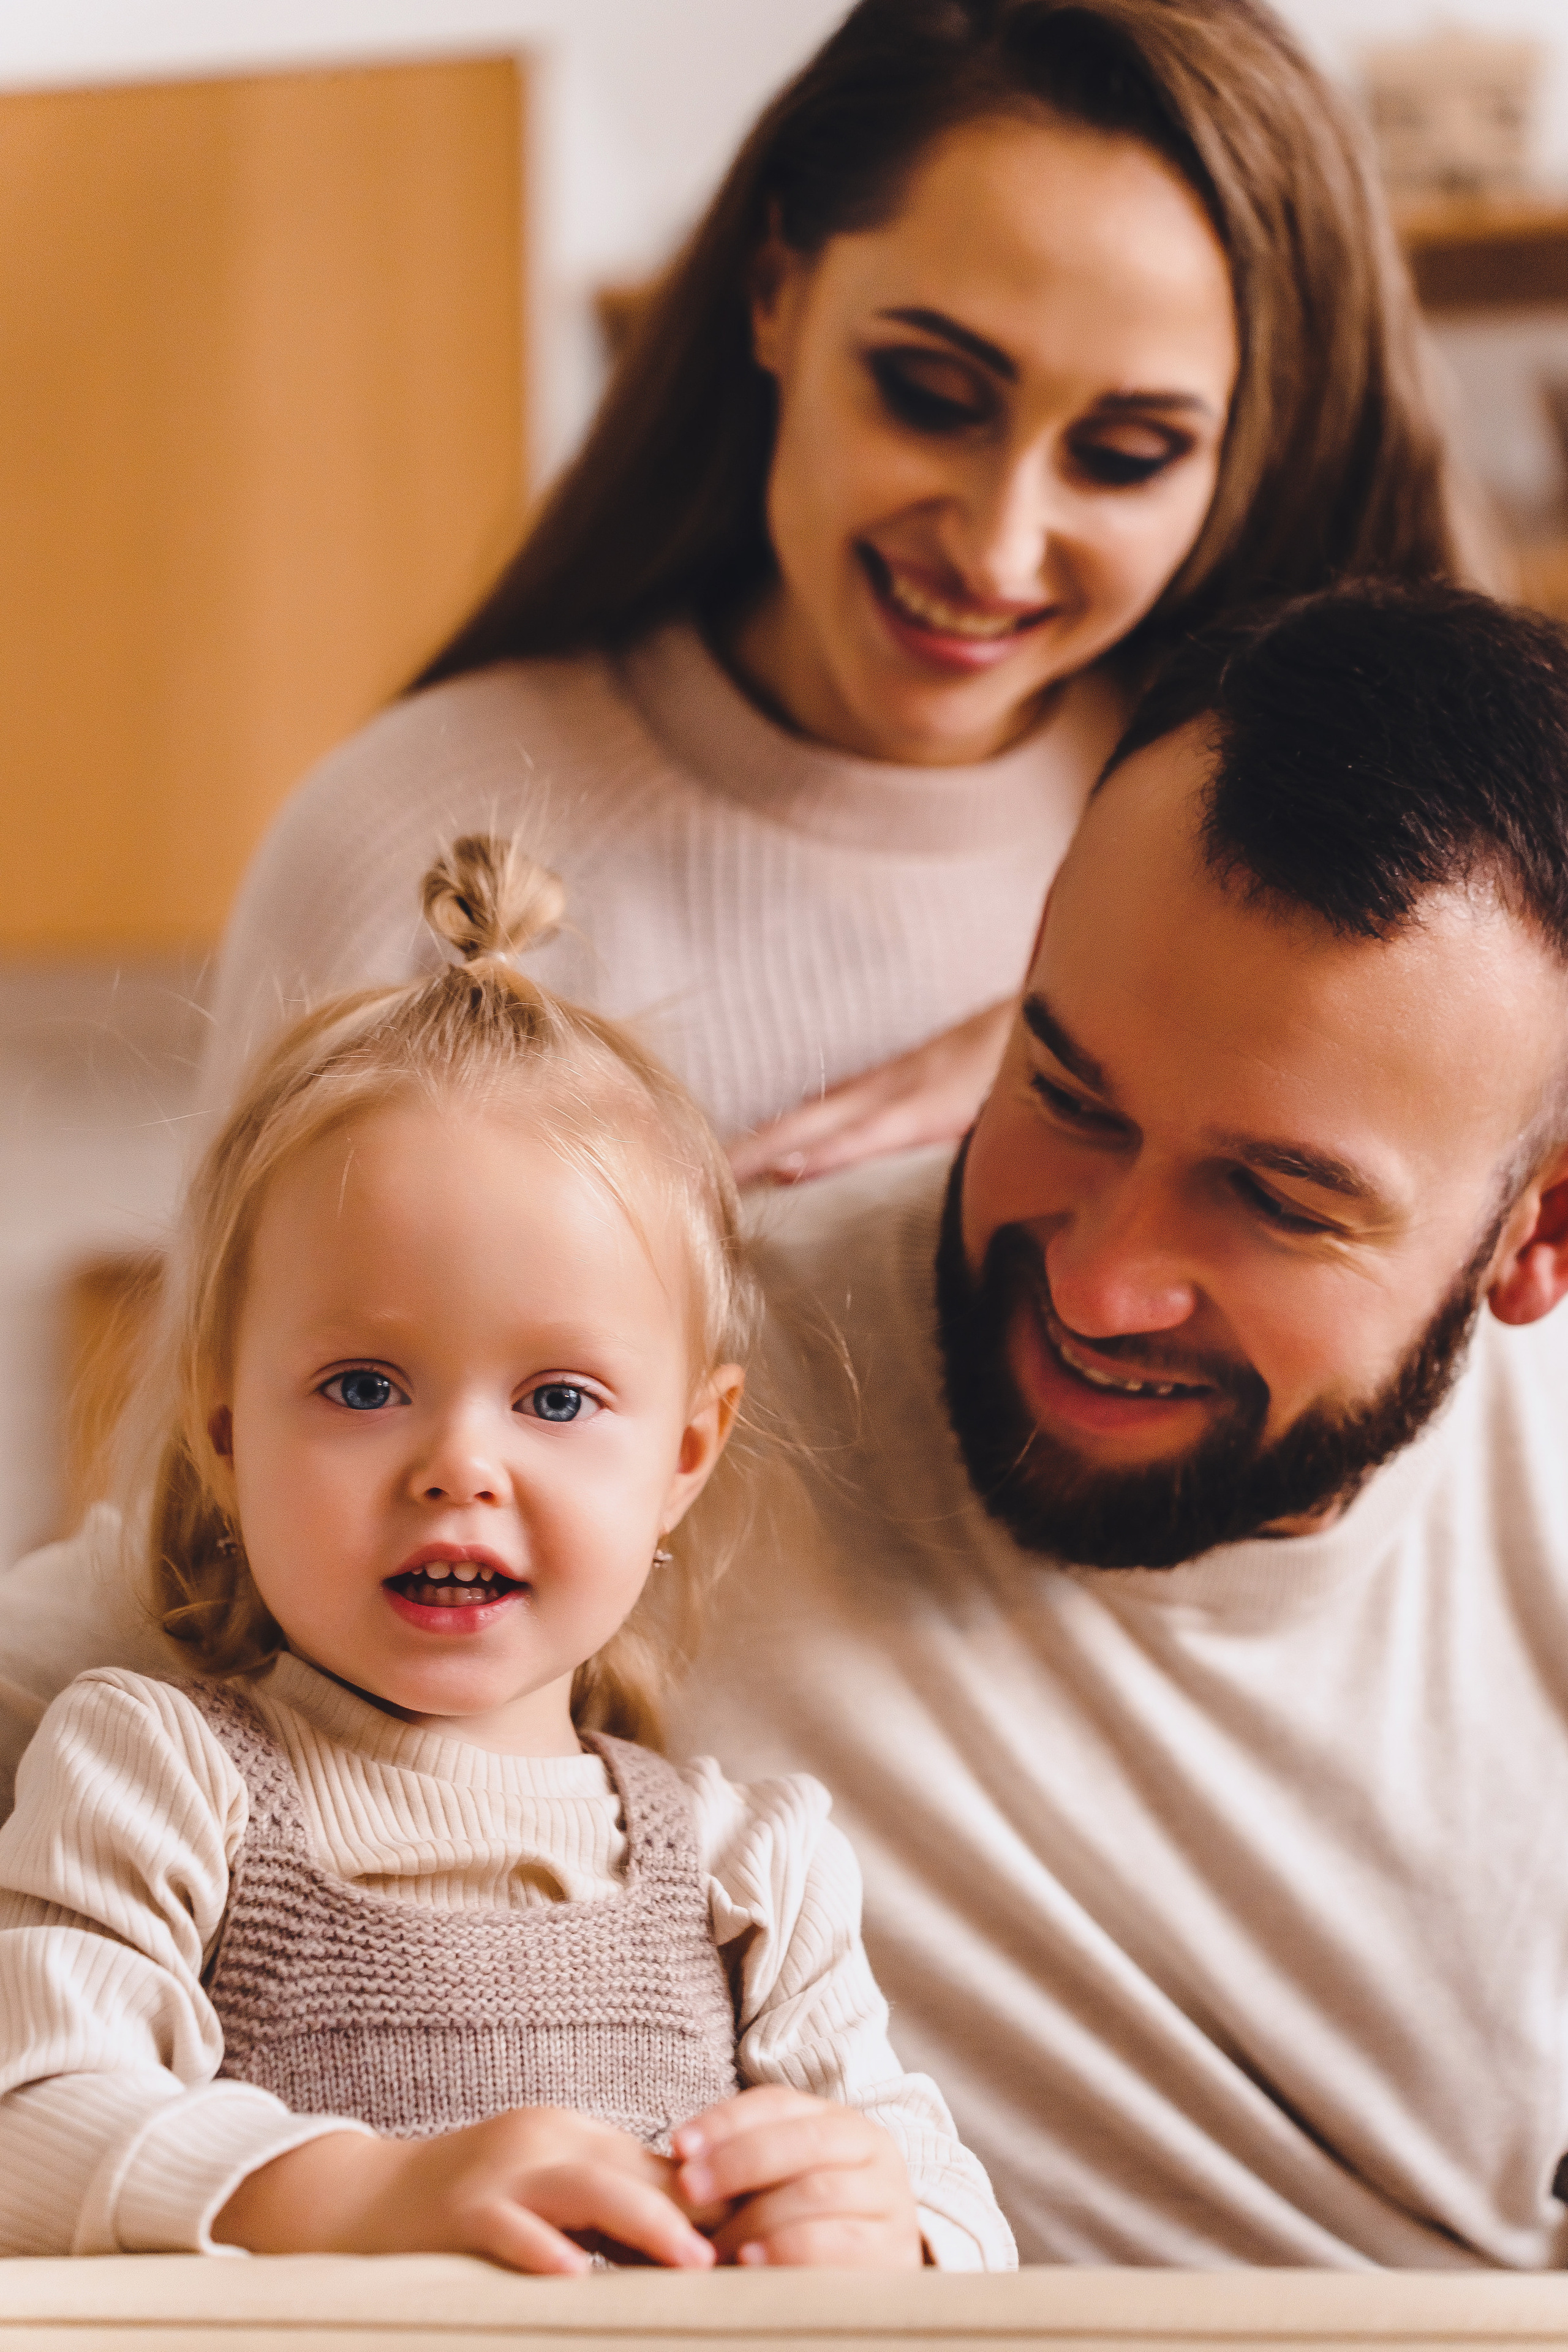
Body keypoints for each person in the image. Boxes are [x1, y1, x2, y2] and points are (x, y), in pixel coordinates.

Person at [659, 581, 1568, 2268]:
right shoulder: (657, 1387)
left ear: (1540, 1239)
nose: (1103, 1278)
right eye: (1066, 1095)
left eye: (1278, 1201)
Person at [200, 0, 1490, 1180]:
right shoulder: (408, 843)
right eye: (928, 397)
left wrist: (1097, 1052)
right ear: (775, 295)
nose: (996, 548)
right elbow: (237, 1416)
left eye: (1124, 456)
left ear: (1231, 459)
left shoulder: (1284, 863)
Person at [0, 840, 1012, 2273]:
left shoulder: (752, 1872)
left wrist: (884, 2230)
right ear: (226, 1430)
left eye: (555, 1401)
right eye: (362, 1387)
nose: (458, 1467)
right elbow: (29, 2120)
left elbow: (961, 2228)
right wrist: (355, 2201)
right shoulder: (156, 1783)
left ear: (684, 1456)